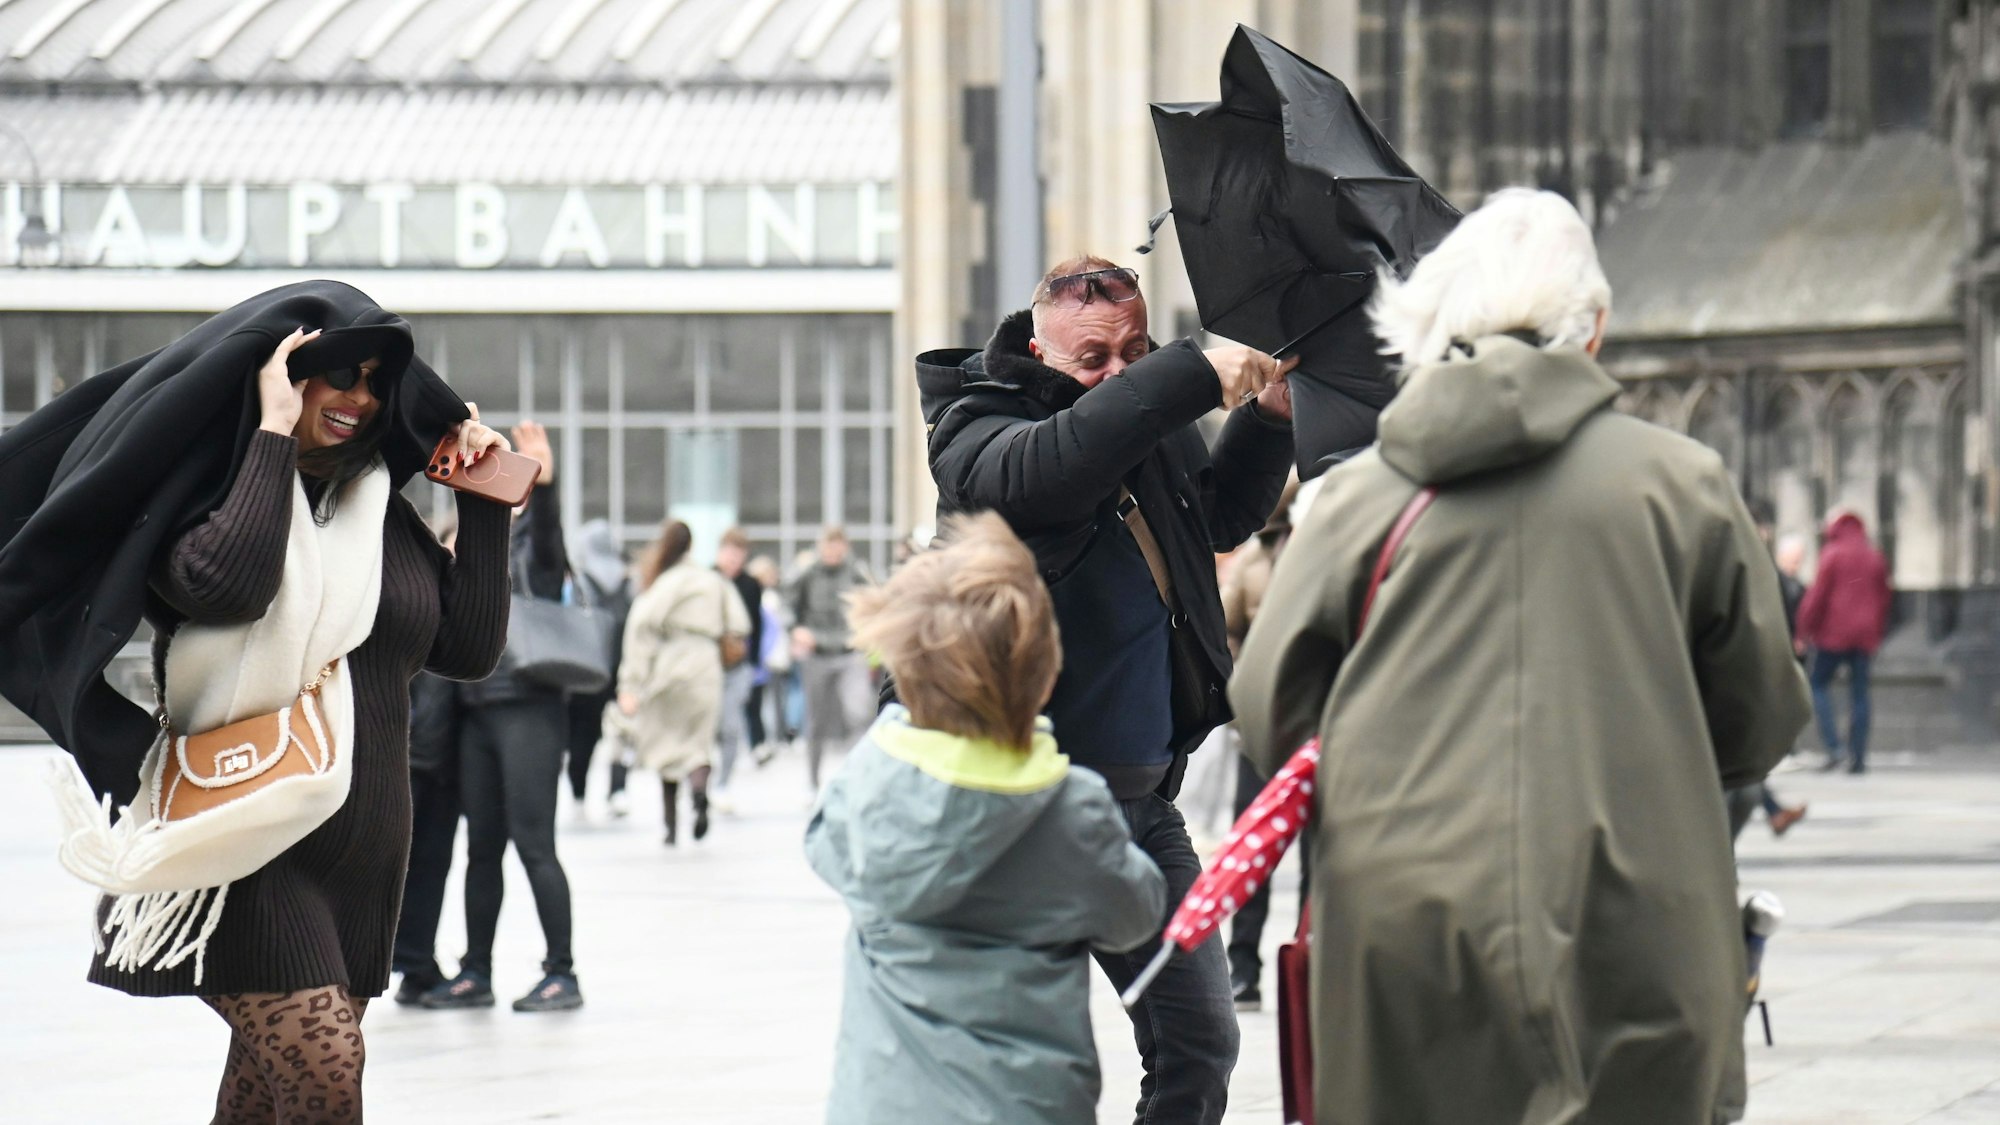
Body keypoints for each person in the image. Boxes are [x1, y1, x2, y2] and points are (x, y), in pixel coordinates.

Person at [1230, 189, 1813, 1125]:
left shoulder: (1355, 500)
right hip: (1634, 917)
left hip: (1400, 923)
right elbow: (1759, 724)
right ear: (1595, 327)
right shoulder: (1683, 487)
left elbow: (1268, 712)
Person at [4, 286, 513, 1122]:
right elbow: (229, 586)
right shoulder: (204, 496)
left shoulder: (376, 509)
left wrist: (484, 500)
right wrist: (270, 434)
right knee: (324, 1067)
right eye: (335, 375)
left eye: (377, 382)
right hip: (244, 837)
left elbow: (466, 647)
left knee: (264, 1097)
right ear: (282, 375)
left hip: (362, 849)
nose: (358, 398)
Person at [917, 254, 1295, 1124]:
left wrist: (1269, 418)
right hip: (1021, 812)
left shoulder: (1146, 419)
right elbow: (1054, 469)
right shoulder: (976, 426)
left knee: (1201, 1041)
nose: (1119, 372)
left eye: (1135, 350)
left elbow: (1217, 514)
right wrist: (1190, 371)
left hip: (1139, 802)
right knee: (1030, 1078)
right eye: (1094, 359)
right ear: (1041, 352)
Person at [805, 513, 1167, 1125]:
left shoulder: (870, 778)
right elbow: (1136, 913)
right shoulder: (1070, 807)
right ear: (1046, 671)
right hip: (1025, 1106)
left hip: (881, 1107)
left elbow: (822, 845)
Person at [424, 420, 583, 1013]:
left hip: (529, 708)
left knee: (535, 844)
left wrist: (544, 481)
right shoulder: (474, 546)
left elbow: (549, 537)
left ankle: (562, 973)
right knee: (482, 848)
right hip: (477, 712)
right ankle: (476, 971)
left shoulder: (532, 557)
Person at [617, 519, 752, 845]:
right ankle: (700, 790)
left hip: (670, 665)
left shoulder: (663, 583)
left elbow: (641, 631)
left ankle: (670, 826)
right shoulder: (713, 581)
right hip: (706, 667)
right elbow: (739, 623)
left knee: (666, 745)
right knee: (698, 746)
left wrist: (630, 684)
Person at [1798, 509, 1894, 774]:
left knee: (1817, 684)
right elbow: (1884, 597)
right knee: (1860, 693)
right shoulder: (1874, 555)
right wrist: (1876, 631)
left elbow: (1817, 596)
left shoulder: (1832, 553)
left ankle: (1834, 746)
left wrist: (1803, 629)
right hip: (1864, 637)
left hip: (1833, 634)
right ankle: (1858, 757)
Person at [788, 526, 872, 791]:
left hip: (850, 652)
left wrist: (867, 631)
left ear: (844, 547)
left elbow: (875, 601)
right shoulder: (807, 574)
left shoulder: (857, 573)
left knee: (859, 713)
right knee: (816, 722)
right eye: (827, 546)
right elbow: (788, 605)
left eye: (837, 546)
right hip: (817, 654)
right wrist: (796, 630)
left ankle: (858, 779)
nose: (832, 552)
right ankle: (812, 782)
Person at [565, 518, 635, 810]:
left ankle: (579, 791)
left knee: (584, 733)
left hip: (588, 670)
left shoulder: (579, 582)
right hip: (622, 669)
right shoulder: (630, 582)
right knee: (622, 733)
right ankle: (617, 790)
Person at [713, 527, 764, 805]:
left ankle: (723, 783)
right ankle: (701, 779)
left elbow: (756, 626)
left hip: (738, 665)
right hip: (708, 665)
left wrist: (753, 665)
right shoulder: (708, 579)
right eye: (729, 553)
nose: (733, 560)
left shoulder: (750, 585)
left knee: (730, 724)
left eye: (738, 555)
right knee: (707, 726)